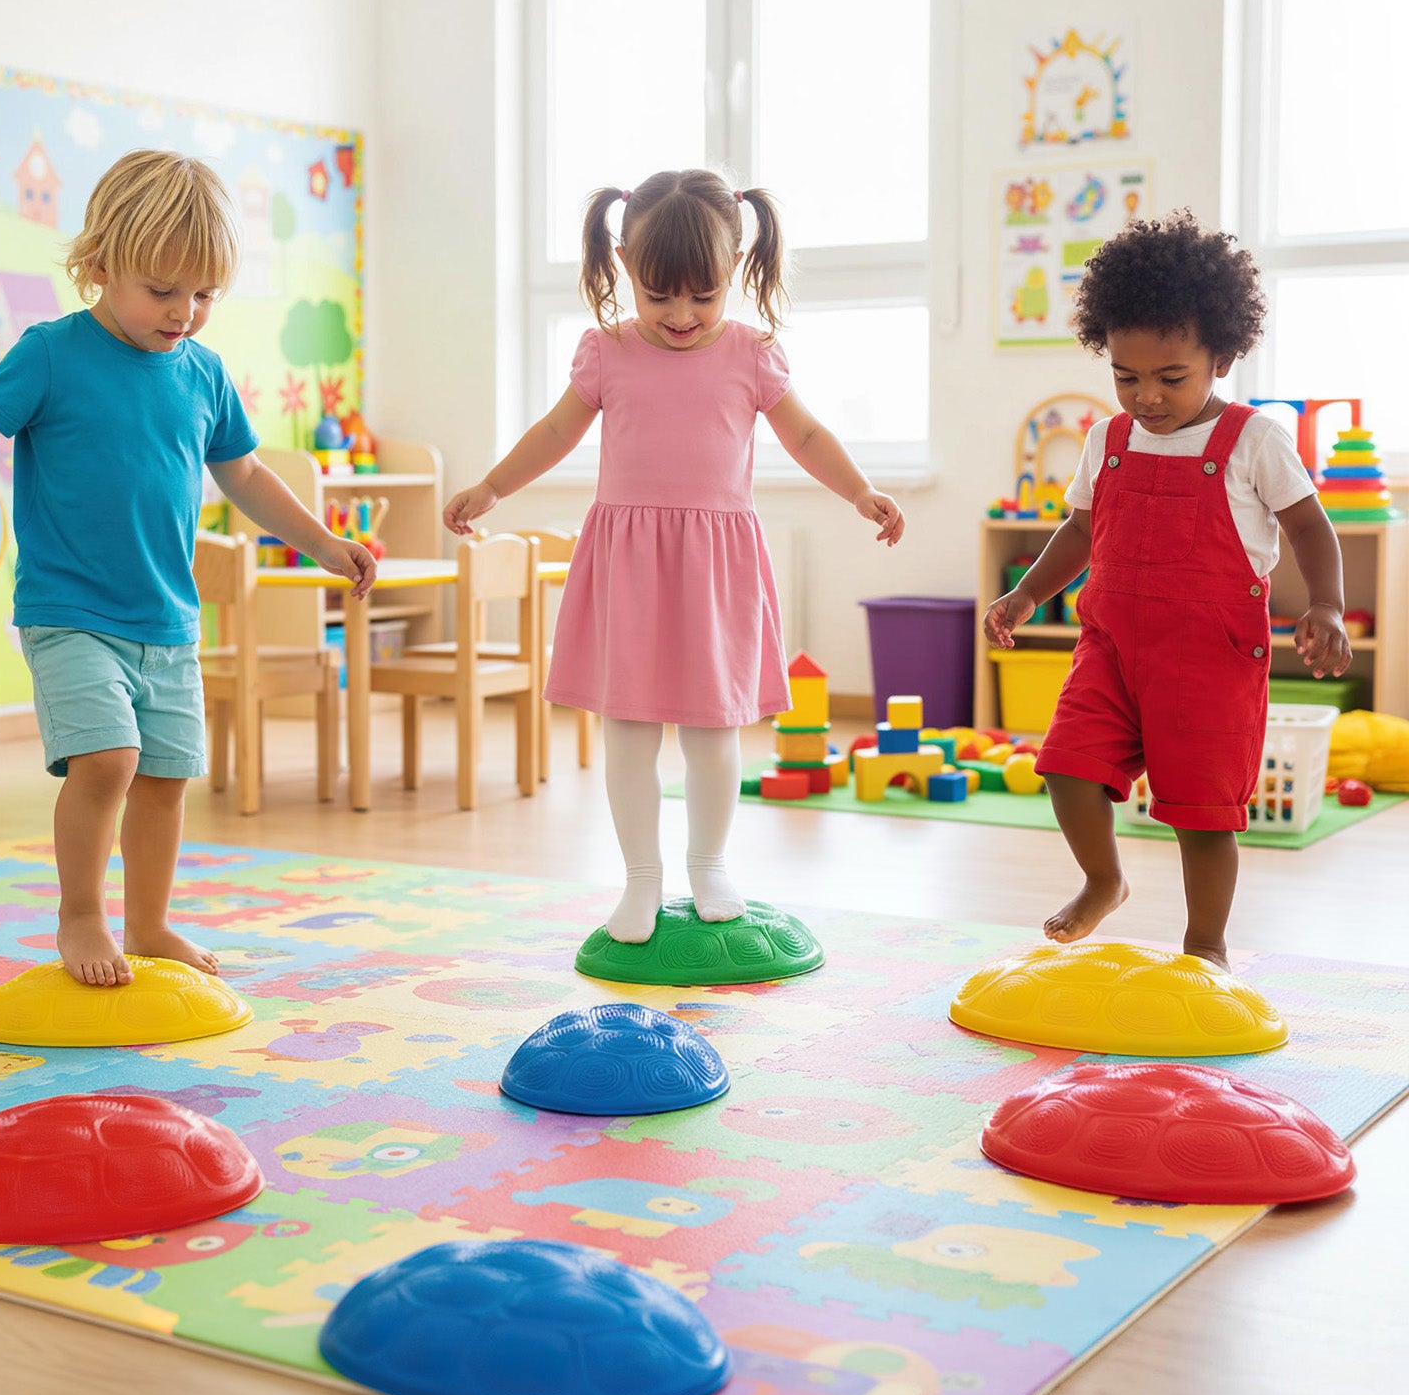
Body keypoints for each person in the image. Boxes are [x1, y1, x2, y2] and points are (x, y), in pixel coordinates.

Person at [0, 150, 376, 987]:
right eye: (162, 290)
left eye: (203, 294)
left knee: (166, 779)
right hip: (68, 612)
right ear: (99, 267)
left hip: (166, 619)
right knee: (108, 762)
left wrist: (322, 542)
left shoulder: (203, 373)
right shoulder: (52, 354)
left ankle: (150, 921)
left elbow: (243, 475)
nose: (184, 312)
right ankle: (82, 915)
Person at [444, 169, 904, 943]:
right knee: (627, 726)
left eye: (704, 295)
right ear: (625, 264)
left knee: (712, 729)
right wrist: (492, 487)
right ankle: (640, 879)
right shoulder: (607, 352)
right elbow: (555, 434)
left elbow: (808, 436)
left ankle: (709, 864)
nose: (682, 316)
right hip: (628, 561)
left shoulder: (753, 355)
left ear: (734, 273)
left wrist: (861, 493)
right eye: (660, 297)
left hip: (715, 567)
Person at [984, 211, 1350, 966]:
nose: (1146, 396)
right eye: (1126, 376)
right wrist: (1025, 594)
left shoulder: (1254, 440)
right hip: (1112, 648)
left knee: (1203, 814)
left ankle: (1206, 943)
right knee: (1065, 766)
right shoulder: (1106, 440)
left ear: (1221, 354)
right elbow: (1081, 532)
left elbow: (1311, 528)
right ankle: (1103, 879)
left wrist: (1325, 604)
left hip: (1208, 660)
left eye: (1169, 377)